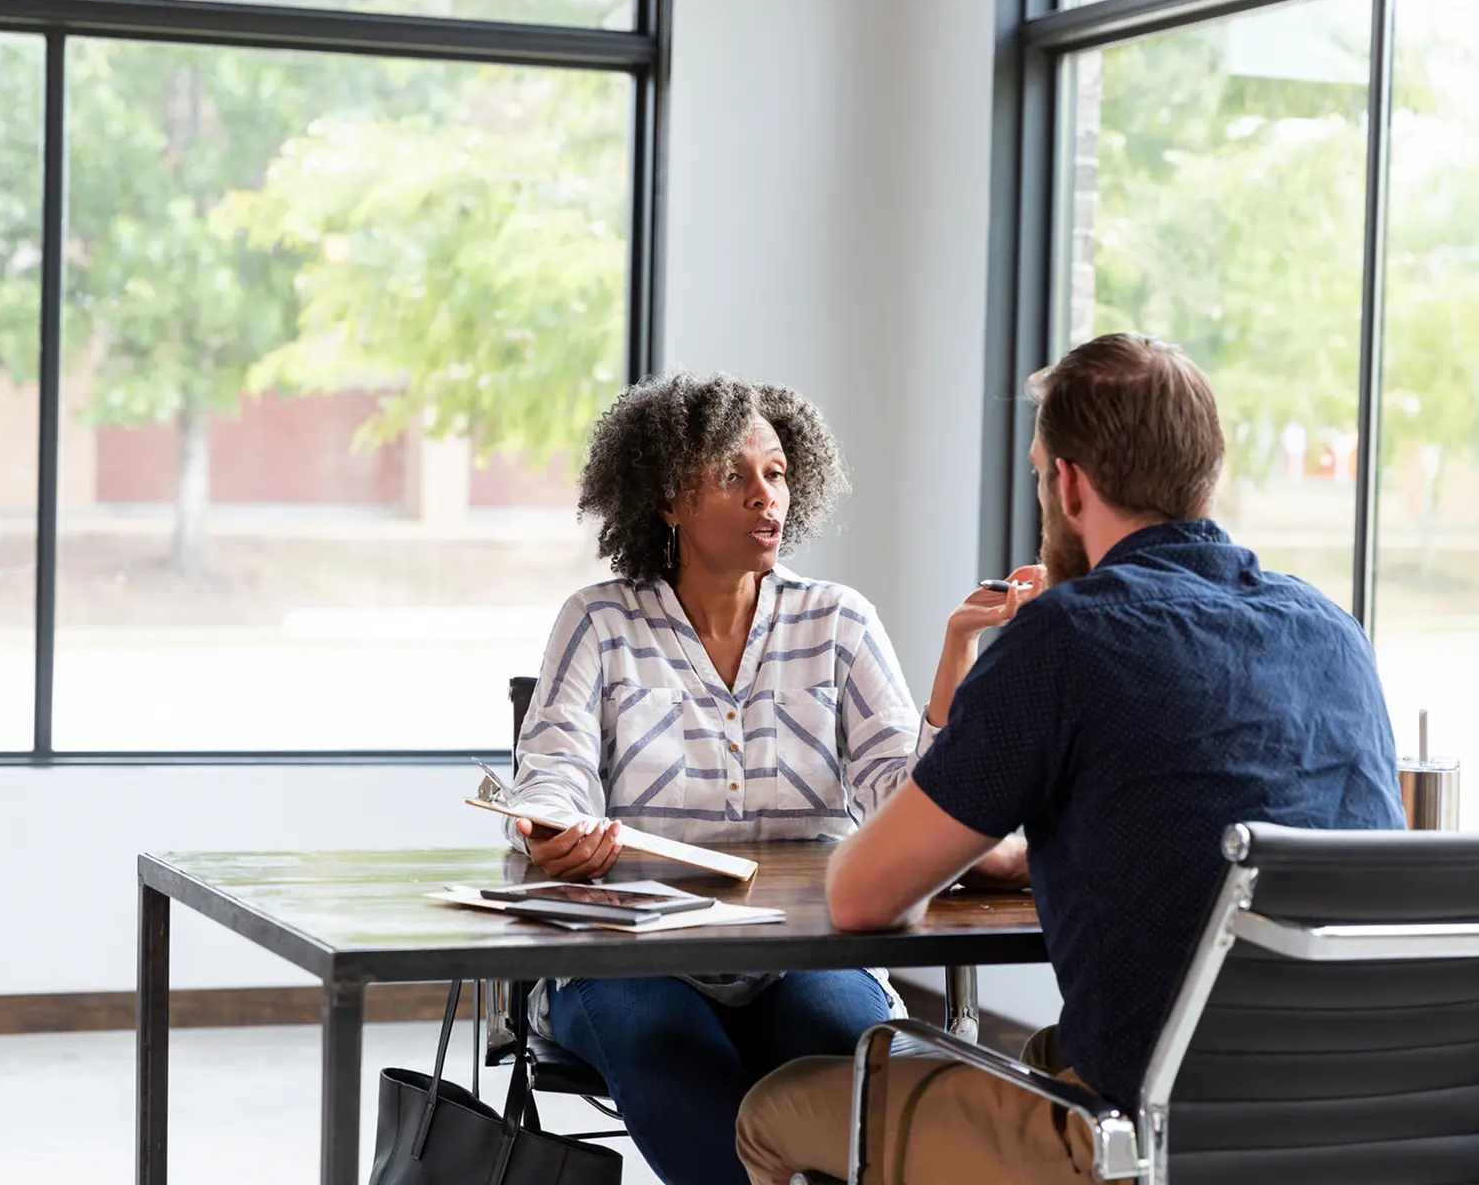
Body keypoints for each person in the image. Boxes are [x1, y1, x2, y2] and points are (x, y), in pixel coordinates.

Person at [736, 333, 1405, 1185]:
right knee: (1051, 1050)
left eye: (1038, 471)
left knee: (776, 1108)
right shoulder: (1332, 631)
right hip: (1362, 1124)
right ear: (1206, 472)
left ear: (1069, 482)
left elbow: (862, 896)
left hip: (1144, 1139)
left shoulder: (1070, 636)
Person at [506, 370, 1026, 1185]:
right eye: (733, 475)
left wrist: (958, 654)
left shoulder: (838, 620)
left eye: (778, 473)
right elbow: (554, 768)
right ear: (669, 501)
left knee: (847, 1052)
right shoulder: (599, 620)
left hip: (803, 950)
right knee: (669, 1052)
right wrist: (551, 829)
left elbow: (906, 798)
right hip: (636, 956)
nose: (764, 496)